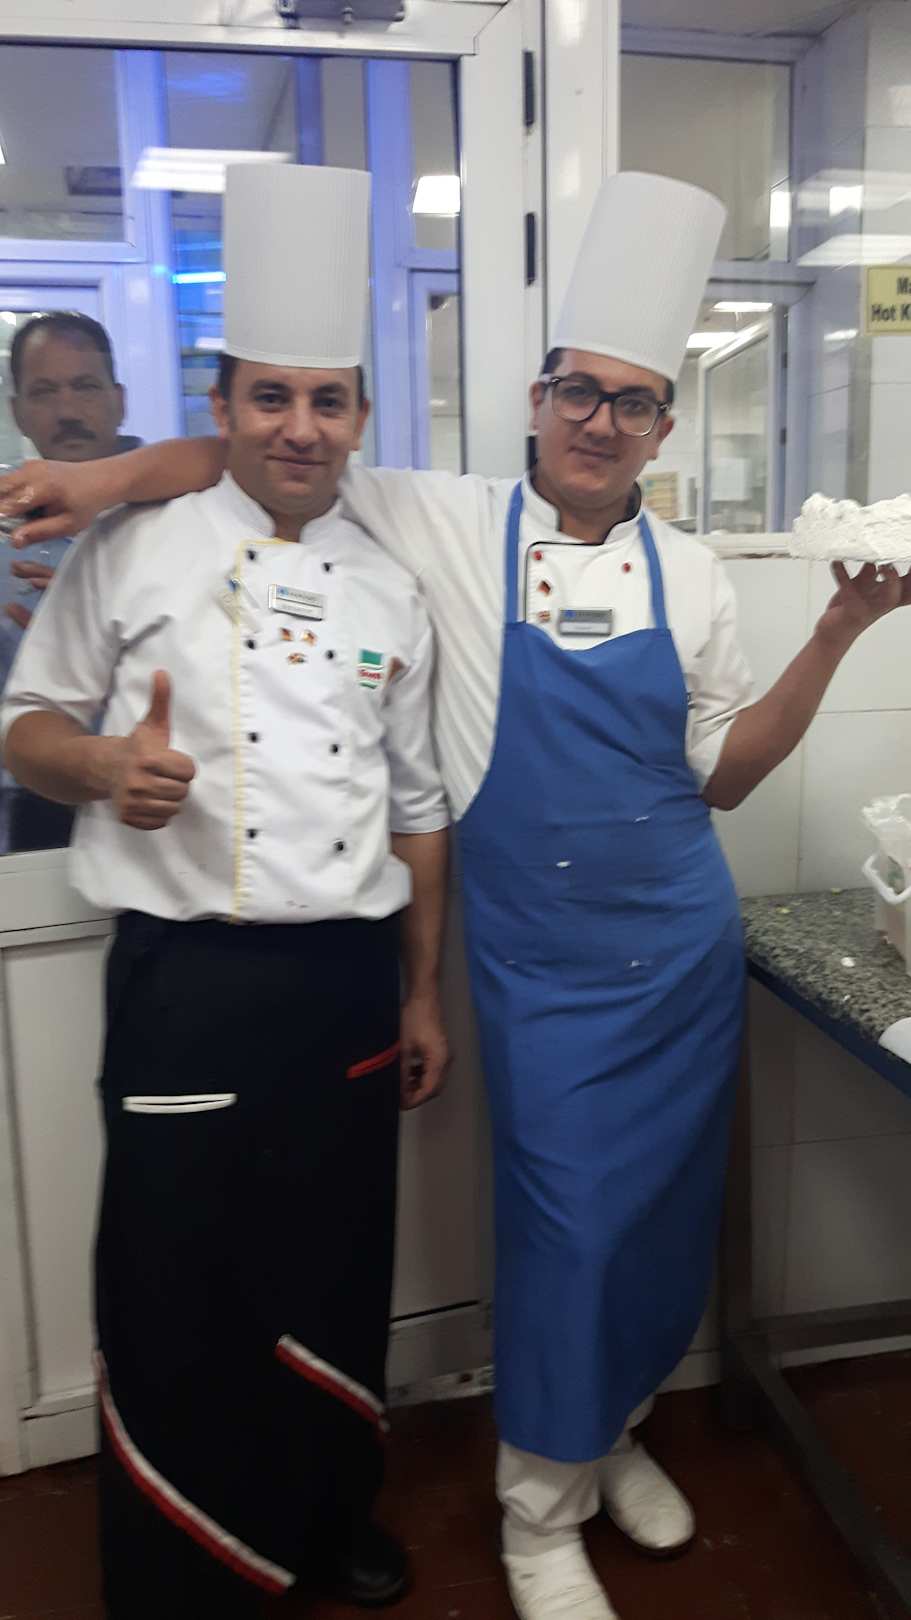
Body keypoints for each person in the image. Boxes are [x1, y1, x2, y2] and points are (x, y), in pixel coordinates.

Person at [4, 169, 909, 1620]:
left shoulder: (691, 573)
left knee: (659, 1224)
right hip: (540, 961)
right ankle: (535, 1511)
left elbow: (723, 778)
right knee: (568, 1228)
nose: (599, 421)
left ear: (662, 426)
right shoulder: (436, 517)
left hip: (678, 945)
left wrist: (840, 632)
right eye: (577, 392)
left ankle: (610, 1436)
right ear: (536, 401)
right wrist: (107, 481)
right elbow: (255, 453)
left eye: (632, 401)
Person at [1, 165, 450, 1620]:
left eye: (327, 400)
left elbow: (418, 809)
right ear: (222, 405)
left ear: (360, 417)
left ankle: (327, 1517)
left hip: (344, 982)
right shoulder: (135, 542)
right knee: (175, 1280)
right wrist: (94, 770)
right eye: (269, 397)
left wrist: (421, 990)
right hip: (187, 982)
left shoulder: (391, 581)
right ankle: (175, 1571)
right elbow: (24, 722)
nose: (298, 427)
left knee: (335, 1267)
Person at [0, 311, 141, 851]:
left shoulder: (177, 514)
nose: (67, 411)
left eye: (85, 386)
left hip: (152, 789)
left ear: (118, 400)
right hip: (29, 806)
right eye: (44, 392)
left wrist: (88, 613)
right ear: (18, 412)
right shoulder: (5, 534)